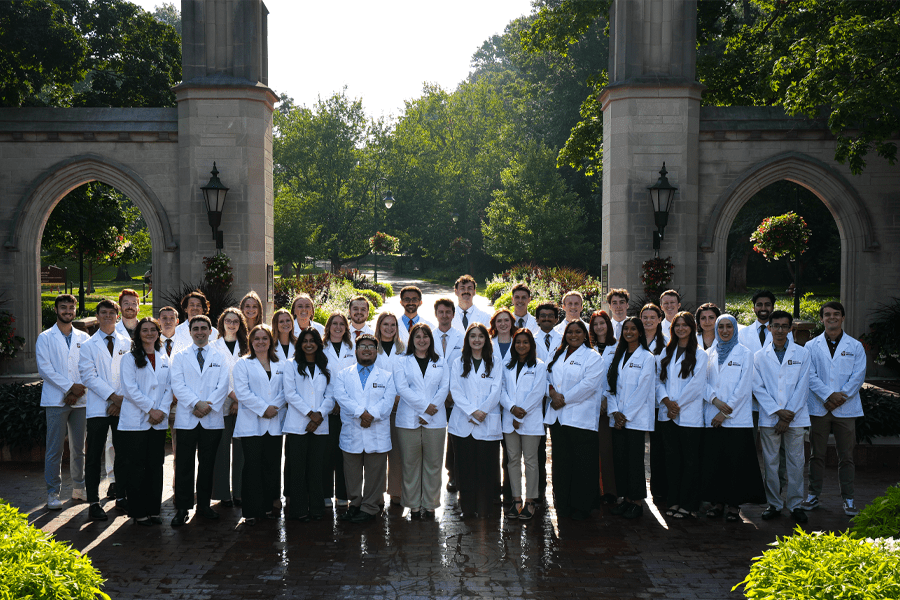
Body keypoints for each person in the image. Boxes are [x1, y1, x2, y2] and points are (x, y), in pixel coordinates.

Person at [803, 301, 866, 517]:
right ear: (821, 318)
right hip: (819, 407)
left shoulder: (855, 346)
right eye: (827, 314)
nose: (831, 317)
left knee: (846, 456)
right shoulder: (811, 346)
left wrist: (840, 398)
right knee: (816, 455)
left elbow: (858, 377)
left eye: (836, 314)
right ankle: (813, 495)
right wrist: (828, 396)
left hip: (846, 409)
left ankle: (848, 498)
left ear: (843, 318)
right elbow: (809, 376)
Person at [703, 314, 765, 522]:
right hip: (712, 416)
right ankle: (717, 503)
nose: (725, 331)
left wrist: (725, 413)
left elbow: (744, 387)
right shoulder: (709, 352)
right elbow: (702, 383)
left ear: (735, 329)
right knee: (715, 463)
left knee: (735, 464)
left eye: (729, 326)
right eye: (721, 327)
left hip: (736, 420)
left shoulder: (745, 354)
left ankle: (733, 506)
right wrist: (715, 402)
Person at [170, 315, 230, 526]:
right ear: (190, 332)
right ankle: (182, 508)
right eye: (196, 328)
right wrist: (196, 403)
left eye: (204, 328)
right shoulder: (180, 356)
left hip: (211, 419)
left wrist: (209, 405)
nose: (200, 332)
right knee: (184, 465)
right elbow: (177, 385)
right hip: (188, 418)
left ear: (210, 330)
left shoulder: (219, 356)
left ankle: (204, 506)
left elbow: (223, 385)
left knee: (207, 465)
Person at [332, 334, 397, 523]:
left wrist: (371, 415)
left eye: (371, 346)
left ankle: (370, 507)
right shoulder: (344, 375)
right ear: (356, 350)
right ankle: (356, 505)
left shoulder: (386, 376)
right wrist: (362, 413)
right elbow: (341, 397)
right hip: (352, 430)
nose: (367, 349)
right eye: (363, 346)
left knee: (375, 473)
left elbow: (388, 402)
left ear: (377, 352)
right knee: (351, 473)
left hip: (376, 430)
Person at [753, 310, 811, 523]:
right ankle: (774, 504)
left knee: (796, 462)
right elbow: (757, 388)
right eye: (775, 326)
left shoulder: (802, 354)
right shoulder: (759, 356)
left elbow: (803, 387)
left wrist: (787, 417)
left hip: (795, 417)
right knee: (771, 463)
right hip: (770, 418)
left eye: (784, 326)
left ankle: (795, 504)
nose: (779, 330)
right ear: (769, 328)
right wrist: (777, 412)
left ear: (790, 329)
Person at [78, 299, 131, 521]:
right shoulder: (88, 345)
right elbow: (88, 376)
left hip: (121, 409)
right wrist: (112, 397)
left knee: (123, 454)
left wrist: (120, 402)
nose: (108, 316)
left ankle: (121, 497)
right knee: (93, 456)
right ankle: (93, 502)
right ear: (97, 316)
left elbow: (131, 375)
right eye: (103, 313)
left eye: (111, 313)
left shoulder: (127, 342)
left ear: (117, 316)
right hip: (99, 408)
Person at [545, 321, 602, 520]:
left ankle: (582, 506)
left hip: (581, 419)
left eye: (578, 332)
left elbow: (589, 385)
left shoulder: (593, 357)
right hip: (558, 419)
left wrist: (563, 399)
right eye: (570, 332)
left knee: (582, 464)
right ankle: (563, 504)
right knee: (561, 463)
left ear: (585, 335)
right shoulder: (557, 354)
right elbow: (546, 377)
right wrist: (552, 393)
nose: (574, 335)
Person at [37, 294, 90, 510]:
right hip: (56, 400)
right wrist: (69, 388)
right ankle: (53, 493)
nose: (67, 311)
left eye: (71, 308)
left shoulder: (84, 338)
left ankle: (79, 488)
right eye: (63, 308)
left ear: (75, 310)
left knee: (79, 448)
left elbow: (88, 367)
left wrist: (76, 391)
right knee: (55, 448)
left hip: (80, 400)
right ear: (56, 309)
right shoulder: (45, 337)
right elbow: (45, 369)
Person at [118, 317, 173, 526]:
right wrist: (151, 408)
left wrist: (161, 411)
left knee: (155, 466)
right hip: (135, 422)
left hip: (157, 421)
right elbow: (130, 389)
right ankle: (138, 511)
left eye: (153, 330)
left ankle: (154, 510)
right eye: (145, 330)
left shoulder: (164, 358)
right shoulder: (129, 359)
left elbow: (169, 388)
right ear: (138, 334)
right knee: (136, 467)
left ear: (158, 333)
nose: (149, 333)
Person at [393, 323, 450, 519]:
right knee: (410, 464)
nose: (422, 340)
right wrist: (424, 408)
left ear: (430, 339)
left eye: (425, 336)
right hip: (408, 419)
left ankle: (430, 505)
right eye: (417, 337)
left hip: (435, 419)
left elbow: (444, 388)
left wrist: (427, 412)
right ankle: (414, 506)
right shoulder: (402, 361)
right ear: (412, 340)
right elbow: (402, 388)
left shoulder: (441, 361)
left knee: (433, 464)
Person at [656, 312, 709, 519]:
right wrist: (667, 402)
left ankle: (688, 504)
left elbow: (697, 385)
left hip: (689, 416)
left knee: (690, 462)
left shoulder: (700, 354)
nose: (680, 328)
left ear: (692, 327)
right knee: (672, 461)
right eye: (677, 325)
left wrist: (676, 405)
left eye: (684, 325)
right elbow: (657, 381)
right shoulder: (665, 352)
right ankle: (674, 501)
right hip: (668, 415)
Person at [233, 324, 286, 525]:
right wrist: (264, 408)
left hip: (274, 423)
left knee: (271, 466)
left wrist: (275, 407)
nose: (261, 342)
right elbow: (242, 392)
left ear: (271, 341)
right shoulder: (242, 364)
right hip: (251, 423)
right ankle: (252, 510)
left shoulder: (281, 364)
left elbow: (285, 390)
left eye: (265, 338)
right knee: (252, 467)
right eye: (257, 339)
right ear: (251, 342)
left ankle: (268, 506)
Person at [448, 323, 503, 518]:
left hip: (487, 422)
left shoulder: (495, 362)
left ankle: (485, 508)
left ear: (486, 340)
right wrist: (472, 412)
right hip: (463, 423)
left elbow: (496, 390)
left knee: (486, 469)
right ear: (467, 340)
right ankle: (468, 509)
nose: (477, 339)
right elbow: (455, 390)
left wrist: (482, 412)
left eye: (480, 336)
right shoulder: (458, 362)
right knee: (465, 469)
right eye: (473, 336)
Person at [605, 317, 656, 519]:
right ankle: (625, 499)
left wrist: (624, 416)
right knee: (620, 460)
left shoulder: (647, 358)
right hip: (618, 418)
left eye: (633, 329)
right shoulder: (618, 356)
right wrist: (615, 412)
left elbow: (642, 391)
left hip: (634, 419)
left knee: (634, 461)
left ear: (640, 332)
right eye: (626, 329)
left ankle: (636, 501)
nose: (629, 332)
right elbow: (610, 387)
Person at [282, 328, 333, 521]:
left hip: (320, 424)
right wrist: (310, 414)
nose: (309, 344)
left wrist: (319, 414)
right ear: (300, 344)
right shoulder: (291, 365)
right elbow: (290, 393)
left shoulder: (325, 365)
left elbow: (331, 394)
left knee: (316, 468)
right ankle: (299, 509)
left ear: (318, 344)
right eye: (305, 341)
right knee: (297, 469)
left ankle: (317, 508)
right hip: (297, 425)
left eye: (313, 340)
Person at [501, 329, 547, 520]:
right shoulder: (507, 365)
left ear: (531, 345)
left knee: (530, 461)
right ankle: (516, 500)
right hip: (509, 419)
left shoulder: (539, 366)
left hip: (530, 420)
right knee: (512, 460)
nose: (521, 345)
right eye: (518, 342)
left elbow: (538, 393)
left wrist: (519, 416)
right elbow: (501, 389)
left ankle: (530, 501)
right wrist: (512, 408)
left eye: (525, 342)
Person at [211, 308, 249, 508]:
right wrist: (232, 395)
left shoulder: (247, 345)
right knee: (222, 448)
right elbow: (215, 375)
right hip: (222, 399)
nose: (232, 324)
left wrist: (240, 399)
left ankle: (241, 491)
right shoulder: (214, 346)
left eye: (236, 321)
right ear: (222, 323)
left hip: (244, 402)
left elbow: (250, 373)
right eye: (228, 321)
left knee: (242, 449)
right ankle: (223, 492)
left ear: (240, 324)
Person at [322, 312, 355, 507]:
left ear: (346, 327)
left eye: (341, 324)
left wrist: (342, 402)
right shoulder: (321, 348)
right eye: (334, 323)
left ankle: (343, 494)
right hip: (327, 407)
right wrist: (331, 402)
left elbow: (353, 378)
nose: (338, 327)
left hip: (347, 407)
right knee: (327, 452)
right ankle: (326, 493)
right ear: (328, 326)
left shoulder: (352, 348)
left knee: (345, 452)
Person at [373, 312, 405, 505]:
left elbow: (407, 377)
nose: (389, 328)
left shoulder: (404, 349)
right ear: (379, 326)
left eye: (393, 325)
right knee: (377, 453)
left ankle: (396, 492)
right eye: (385, 324)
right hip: (376, 407)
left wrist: (397, 397)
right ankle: (376, 494)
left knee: (396, 453)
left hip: (398, 407)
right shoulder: (370, 347)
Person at [433, 298, 464, 493]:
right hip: (434, 397)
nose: (444, 315)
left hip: (455, 397)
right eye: (441, 312)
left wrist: (452, 392)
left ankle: (453, 475)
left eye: (448, 312)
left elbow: (464, 367)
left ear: (453, 314)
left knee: (454, 438)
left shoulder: (462, 338)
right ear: (436, 314)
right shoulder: (427, 336)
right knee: (434, 438)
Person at [640, 303, 667, 505]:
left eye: (652, 317)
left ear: (659, 319)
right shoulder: (634, 341)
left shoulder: (667, 345)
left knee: (658, 450)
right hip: (637, 405)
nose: (648, 321)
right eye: (645, 317)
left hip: (658, 405)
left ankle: (658, 490)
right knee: (637, 450)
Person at [588, 310, 617, 504]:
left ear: (608, 325)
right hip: (589, 405)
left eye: (602, 323)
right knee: (591, 449)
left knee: (606, 450)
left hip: (607, 406)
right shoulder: (587, 348)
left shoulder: (618, 347)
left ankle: (610, 491)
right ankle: (593, 490)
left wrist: (606, 400)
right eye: (595, 324)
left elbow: (618, 378)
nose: (599, 327)